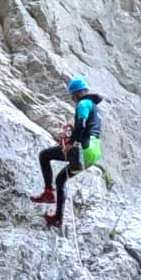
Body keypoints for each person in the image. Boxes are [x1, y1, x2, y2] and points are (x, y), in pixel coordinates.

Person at [30, 77, 103, 228]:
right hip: (92, 154)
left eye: (73, 97)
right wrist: (73, 131)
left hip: (83, 149)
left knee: (44, 155)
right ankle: (58, 218)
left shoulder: (83, 103)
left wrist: (69, 143)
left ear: (75, 95)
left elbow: (82, 125)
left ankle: (49, 193)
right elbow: (87, 127)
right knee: (61, 179)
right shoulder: (95, 108)